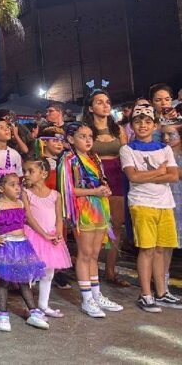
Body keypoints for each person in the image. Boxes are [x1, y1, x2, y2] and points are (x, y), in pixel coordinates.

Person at [119, 104, 182, 311]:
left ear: (154, 126)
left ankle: (162, 292)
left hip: (164, 203)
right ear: (132, 125)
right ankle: (146, 294)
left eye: (147, 122)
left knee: (161, 249)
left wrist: (148, 176)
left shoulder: (164, 149)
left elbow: (173, 176)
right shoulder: (127, 149)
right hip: (141, 204)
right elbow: (133, 177)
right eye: (137, 121)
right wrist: (160, 171)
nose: (142, 125)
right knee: (146, 250)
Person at [58, 122, 123, 318]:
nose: (87, 140)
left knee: (95, 254)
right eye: (82, 136)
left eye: (89, 136)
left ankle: (96, 294)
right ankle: (87, 299)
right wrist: (94, 191)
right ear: (70, 139)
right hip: (84, 209)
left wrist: (104, 189)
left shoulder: (94, 158)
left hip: (99, 207)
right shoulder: (69, 160)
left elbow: (100, 180)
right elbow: (68, 191)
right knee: (85, 254)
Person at [0, 170, 49, 331]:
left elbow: (27, 222)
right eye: (12, 185)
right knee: (4, 281)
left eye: (19, 185)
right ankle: (2, 314)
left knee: (24, 280)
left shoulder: (21, 204)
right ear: (1, 189)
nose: (18, 188)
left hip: (22, 246)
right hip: (6, 247)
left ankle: (34, 312)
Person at [82, 90, 130, 287]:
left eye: (107, 102)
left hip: (118, 177)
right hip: (95, 179)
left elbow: (127, 154)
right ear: (91, 108)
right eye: (99, 102)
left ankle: (110, 271)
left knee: (116, 226)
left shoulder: (118, 130)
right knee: (97, 226)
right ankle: (91, 270)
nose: (105, 105)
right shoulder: (86, 130)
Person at [21, 158, 72, 317]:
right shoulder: (26, 193)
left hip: (50, 236)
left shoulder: (55, 195)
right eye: (25, 171)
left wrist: (57, 233)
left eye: (31, 171)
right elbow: (29, 217)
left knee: (48, 272)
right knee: (29, 272)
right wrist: (43, 234)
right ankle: (31, 307)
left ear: (43, 174)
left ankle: (43, 305)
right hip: (34, 236)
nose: (26, 175)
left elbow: (59, 218)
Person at [162, 124, 182, 288]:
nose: (166, 138)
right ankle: (163, 281)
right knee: (167, 243)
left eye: (171, 134)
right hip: (167, 201)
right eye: (164, 135)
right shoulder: (163, 153)